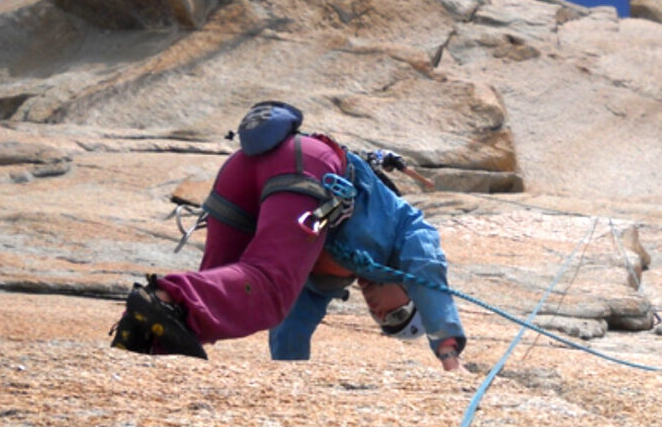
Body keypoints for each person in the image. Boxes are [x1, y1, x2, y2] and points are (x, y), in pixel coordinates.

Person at [109, 102, 466, 371]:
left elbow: (290, 328)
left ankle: (146, 335)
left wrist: (291, 381)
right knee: (268, 284)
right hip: (307, 165)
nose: (379, 312)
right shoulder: (407, 227)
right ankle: (160, 297)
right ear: (411, 295)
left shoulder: (327, 280)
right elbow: (427, 269)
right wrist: (445, 343)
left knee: (219, 298)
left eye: (381, 322)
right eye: (395, 314)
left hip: (243, 172)